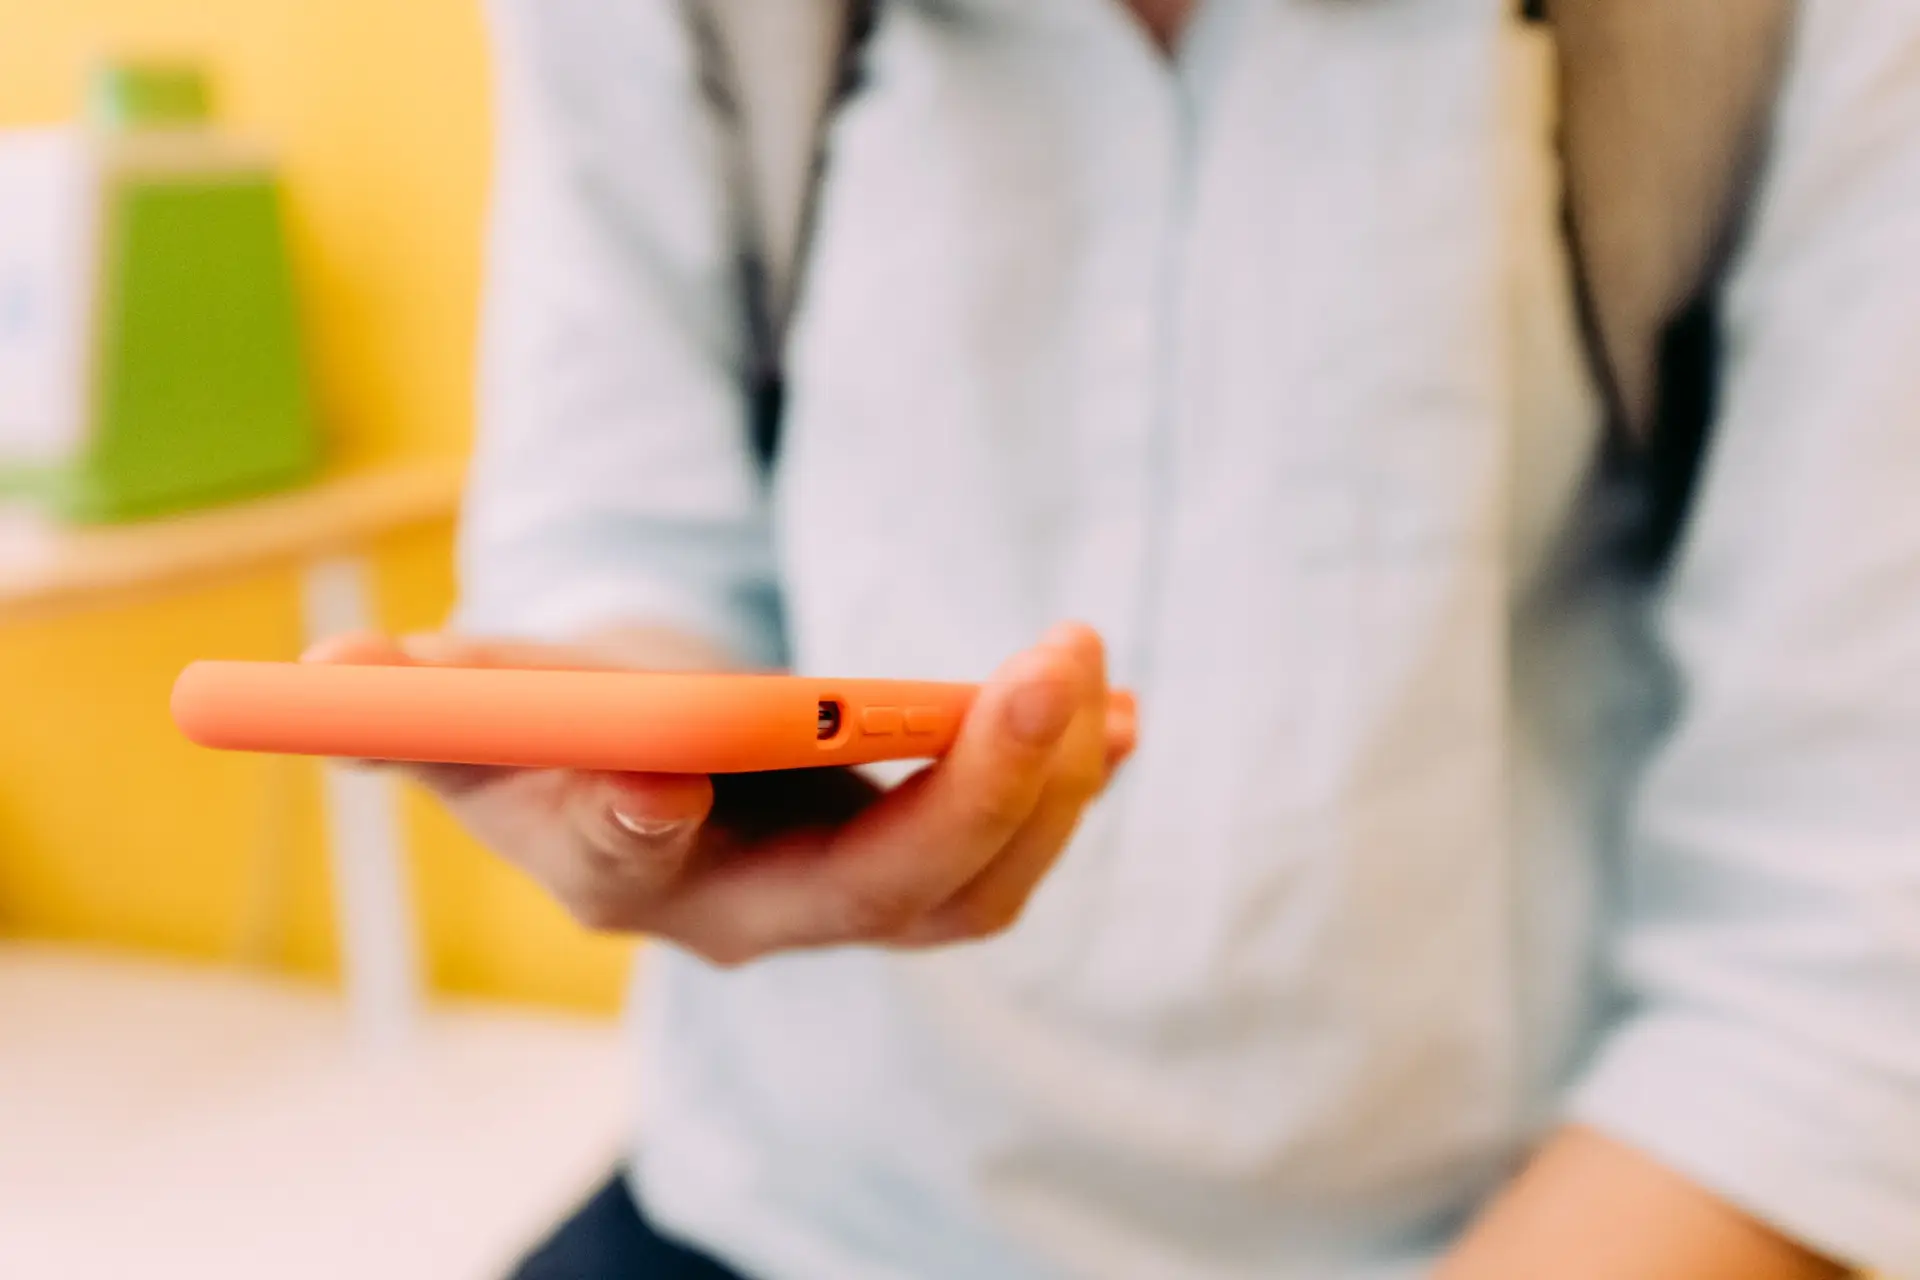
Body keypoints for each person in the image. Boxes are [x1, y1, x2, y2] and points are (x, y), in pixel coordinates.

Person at [315, 0, 1920, 1275]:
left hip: (1548, 1219)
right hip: (792, 1203)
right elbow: (620, 525)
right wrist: (633, 724)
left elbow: (1834, 950)